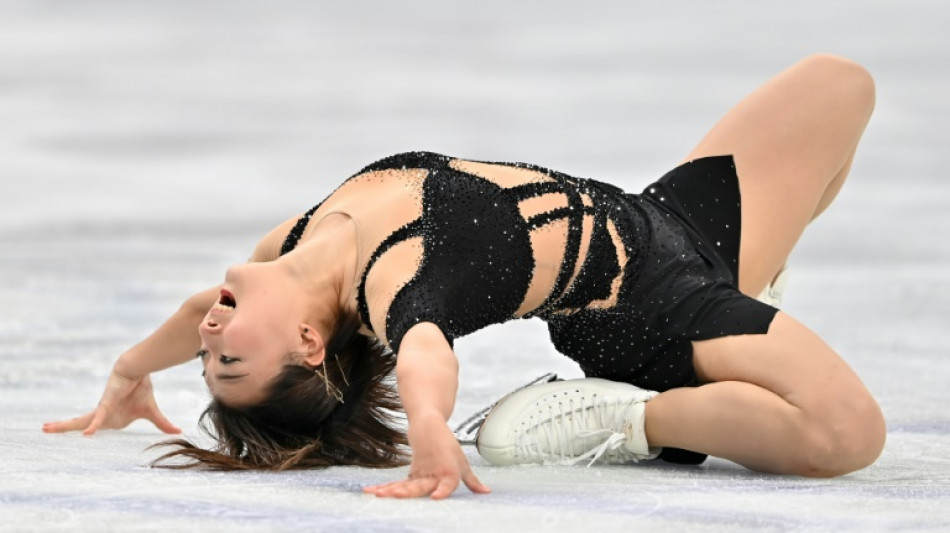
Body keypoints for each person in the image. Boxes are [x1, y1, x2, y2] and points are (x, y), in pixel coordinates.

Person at [43, 53, 885, 499]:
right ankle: (635, 415)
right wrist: (431, 427)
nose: (211, 336)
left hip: (670, 223)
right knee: (846, 432)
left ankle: (750, 321)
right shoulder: (395, 288)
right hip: (653, 315)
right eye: (228, 360)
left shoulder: (287, 247)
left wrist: (128, 369)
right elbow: (424, 354)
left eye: (207, 354)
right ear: (306, 344)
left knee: (841, 87)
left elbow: (199, 310)